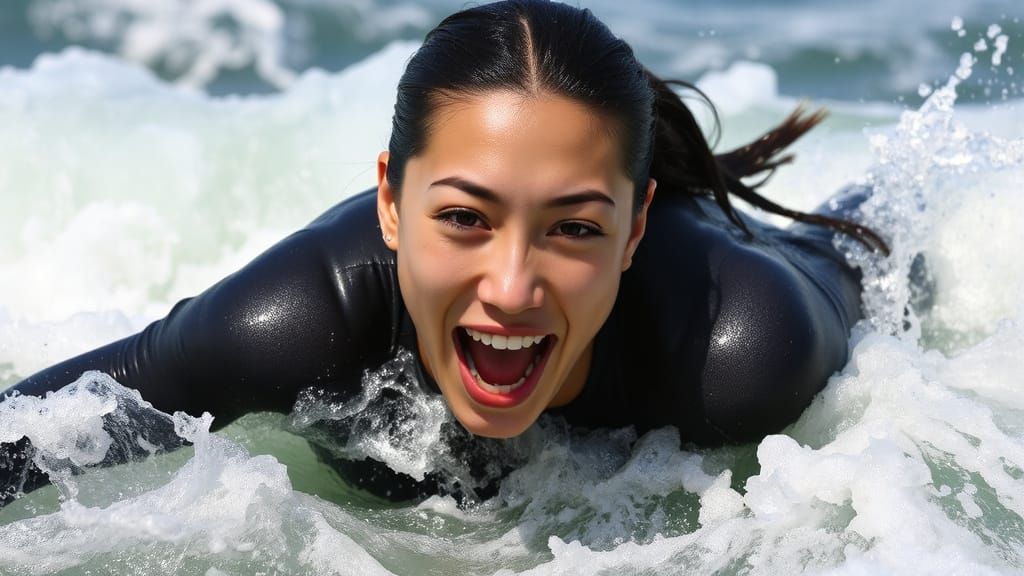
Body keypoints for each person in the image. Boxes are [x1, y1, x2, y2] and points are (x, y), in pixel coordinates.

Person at [1, 0, 887, 505]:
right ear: (389, 201)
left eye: (574, 227)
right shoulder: (299, 320)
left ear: (636, 228)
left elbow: (876, 271)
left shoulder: (742, 352)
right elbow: (32, 433)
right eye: (465, 218)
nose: (510, 288)